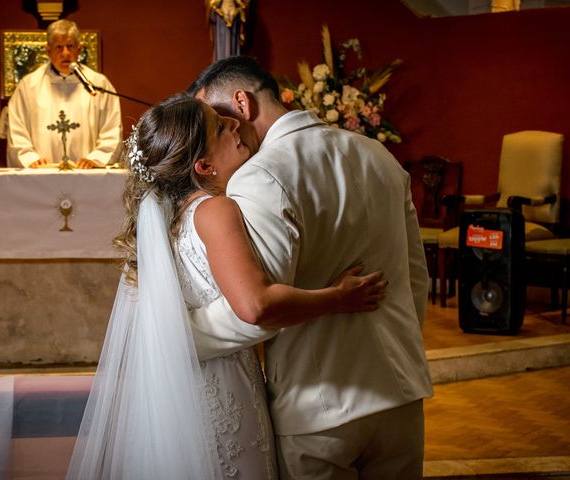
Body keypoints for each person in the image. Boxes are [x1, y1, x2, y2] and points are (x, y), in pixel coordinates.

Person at [66, 94, 387, 479]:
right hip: (223, 393)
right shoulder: (216, 210)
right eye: (220, 126)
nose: (235, 125)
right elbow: (255, 306)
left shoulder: (171, 222)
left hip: (182, 394)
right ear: (203, 166)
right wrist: (337, 298)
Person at [186, 56, 434, 479]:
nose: (217, 134)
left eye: (218, 120)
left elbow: (260, 310)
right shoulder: (379, 156)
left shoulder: (261, 175)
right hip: (400, 392)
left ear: (242, 103)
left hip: (319, 404)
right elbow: (415, 280)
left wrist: (178, 334)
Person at [7, 19, 122, 169]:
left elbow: (111, 128)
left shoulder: (98, 84)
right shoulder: (28, 86)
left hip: (87, 173)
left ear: (79, 49)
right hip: (42, 173)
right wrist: (31, 159)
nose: (65, 53)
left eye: (70, 46)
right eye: (59, 47)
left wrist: (96, 159)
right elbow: (17, 129)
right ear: (48, 51)